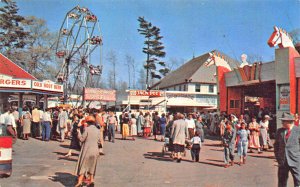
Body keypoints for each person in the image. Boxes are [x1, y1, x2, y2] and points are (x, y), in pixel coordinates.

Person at [274, 113, 300, 187]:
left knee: (298, 181)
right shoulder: (279, 131)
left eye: (283, 121)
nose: (282, 123)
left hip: (296, 161)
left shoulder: (298, 131)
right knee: (281, 182)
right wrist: (278, 158)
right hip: (282, 162)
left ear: (289, 121)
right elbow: (276, 146)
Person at [75, 115, 100, 187]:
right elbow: (98, 141)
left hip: (87, 150)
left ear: (87, 122)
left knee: (83, 166)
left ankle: (79, 182)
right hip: (95, 150)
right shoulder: (97, 130)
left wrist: (78, 132)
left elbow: (82, 139)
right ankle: (91, 181)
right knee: (92, 166)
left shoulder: (87, 129)